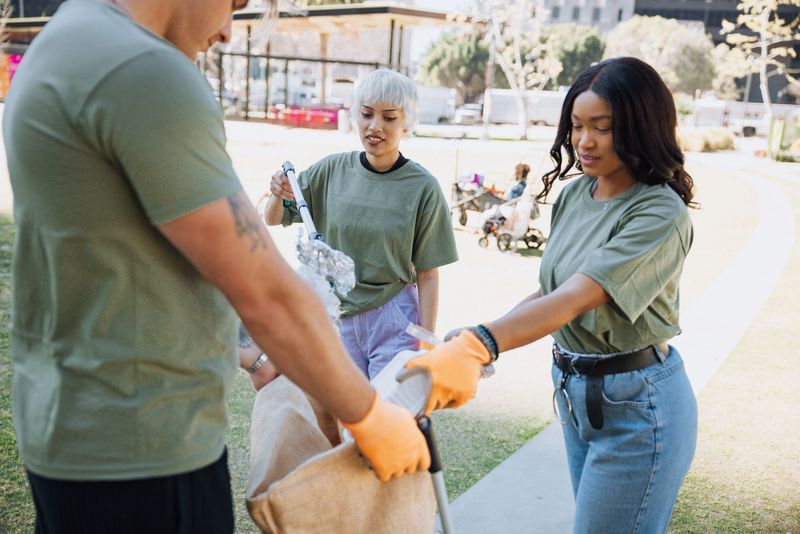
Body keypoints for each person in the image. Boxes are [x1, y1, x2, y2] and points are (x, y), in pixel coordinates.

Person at [3, 1, 429, 532]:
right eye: (234, 3)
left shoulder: (67, 36)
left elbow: (138, 260)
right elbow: (267, 291)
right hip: (146, 451)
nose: (229, 30)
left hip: (69, 432)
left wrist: (251, 357)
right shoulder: (144, 71)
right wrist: (369, 415)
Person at [405, 56, 698, 533]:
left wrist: (484, 342)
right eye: (576, 126)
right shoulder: (575, 195)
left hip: (638, 407)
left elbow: (579, 297)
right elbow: (549, 289)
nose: (583, 141)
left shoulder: (659, 214)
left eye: (602, 128)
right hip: (576, 394)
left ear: (641, 127)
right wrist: (477, 339)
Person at [264, 68, 458, 379]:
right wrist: (277, 193)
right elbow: (274, 218)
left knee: (389, 417)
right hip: (339, 319)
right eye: (367, 114)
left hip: (395, 317)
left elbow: (429, 275)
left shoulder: (423, 188)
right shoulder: (330, 170)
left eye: (389, 117)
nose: (375, 126)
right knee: (345, 421)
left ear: (406, 123)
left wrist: (427, 343)